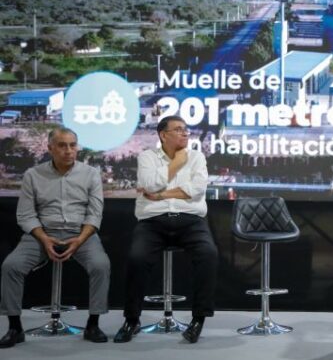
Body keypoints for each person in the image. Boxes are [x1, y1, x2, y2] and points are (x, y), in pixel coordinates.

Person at [0, 127, 110, 348]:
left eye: (72, 145)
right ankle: (14, 327)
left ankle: (93, 323)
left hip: (81, 234)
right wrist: (44, 238)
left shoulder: (90, 174)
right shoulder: (33, 175)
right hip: (42, 233)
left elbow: (95, 213)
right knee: (10, 266)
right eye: (62, 145)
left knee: (101, 265)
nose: (68, 151)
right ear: (50, 148)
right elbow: (25, 214)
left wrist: (79, 239)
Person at [113, 116, 218, 344]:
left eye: (186, 130)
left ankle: (198, 319)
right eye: (179, 130)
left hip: (191, 220)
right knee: (136, 258)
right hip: (153, 221)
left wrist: (161, 194)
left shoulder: (197, 157)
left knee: (208, 254)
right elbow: (148, 184)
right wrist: (176, 165)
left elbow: (197, 190)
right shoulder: (147, 157)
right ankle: (132, 319)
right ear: (163, 135)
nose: (185, 134)